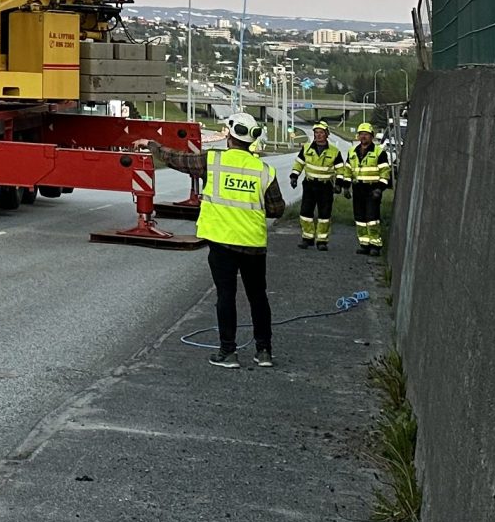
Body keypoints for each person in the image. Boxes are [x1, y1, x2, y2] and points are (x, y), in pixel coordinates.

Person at [152, 111, 288, 368]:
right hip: (253, 243)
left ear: (229, 138)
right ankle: (264, 352)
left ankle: (228, 352)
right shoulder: (264, 170)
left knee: (226, 296)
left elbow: (178, 159)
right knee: (258, 297)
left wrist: (153, 146)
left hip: (222, 242)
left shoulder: (213, 160)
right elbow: (277, 209)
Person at [292, 120, 345, 250]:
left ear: (326, 134)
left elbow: (340, 170)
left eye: (321, 133)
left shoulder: (334, 151)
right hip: (309, 185)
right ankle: (307, 238)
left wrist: (339, 185)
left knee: (324, 215)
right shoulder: (306, 148)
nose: (318, 135)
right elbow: (299, 164)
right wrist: (294, 176)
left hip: (325, 187)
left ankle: (322, 241)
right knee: (305, 213)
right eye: (316, 132)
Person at [344, 121, 392, 255]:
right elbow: (347, 171)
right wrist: (346, 187)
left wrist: (379, 189)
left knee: (372, 218)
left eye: (366, 134)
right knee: (359, 218)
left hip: (372, 189)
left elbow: (385, 173)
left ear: (372, 136)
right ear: (358, 136)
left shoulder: (379, 152)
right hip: (358, 188)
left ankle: (375, 245)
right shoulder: (352, 152)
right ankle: (364, 244)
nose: (363, 137)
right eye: (361, 134)